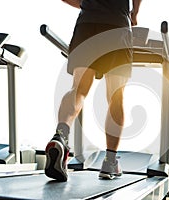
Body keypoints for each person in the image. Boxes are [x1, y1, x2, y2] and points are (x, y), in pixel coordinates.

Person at [44, 0, 142, 182]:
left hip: (87, 24)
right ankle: (110, 161)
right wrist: (134, 13)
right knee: (115, 95)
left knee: (78, 90)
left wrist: (88, 4)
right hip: (117, 25)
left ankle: (61, 135)